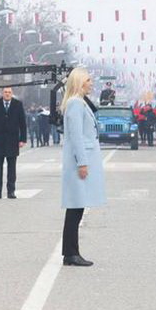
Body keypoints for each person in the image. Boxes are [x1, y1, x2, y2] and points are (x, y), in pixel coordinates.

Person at [60, 68, 106, 267]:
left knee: (77, 206)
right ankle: (71, 253)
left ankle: (71, 252)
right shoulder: (75, 104)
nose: (91, 83)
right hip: (79, 161)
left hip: (82, 159)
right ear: (79, 82)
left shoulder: (79, 103)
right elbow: (77, 136)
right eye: (88, 80)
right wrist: (82, 163)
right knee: (75, 207)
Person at [0, 87, 27, 199]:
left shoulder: (17, 104)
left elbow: (22, 123)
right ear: (2, 93)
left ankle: (11, 191)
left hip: (12, 141)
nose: (7, 94)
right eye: (5, 92)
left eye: (9, 92)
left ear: (12, 94)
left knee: (12, 169)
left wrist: (23, 139)